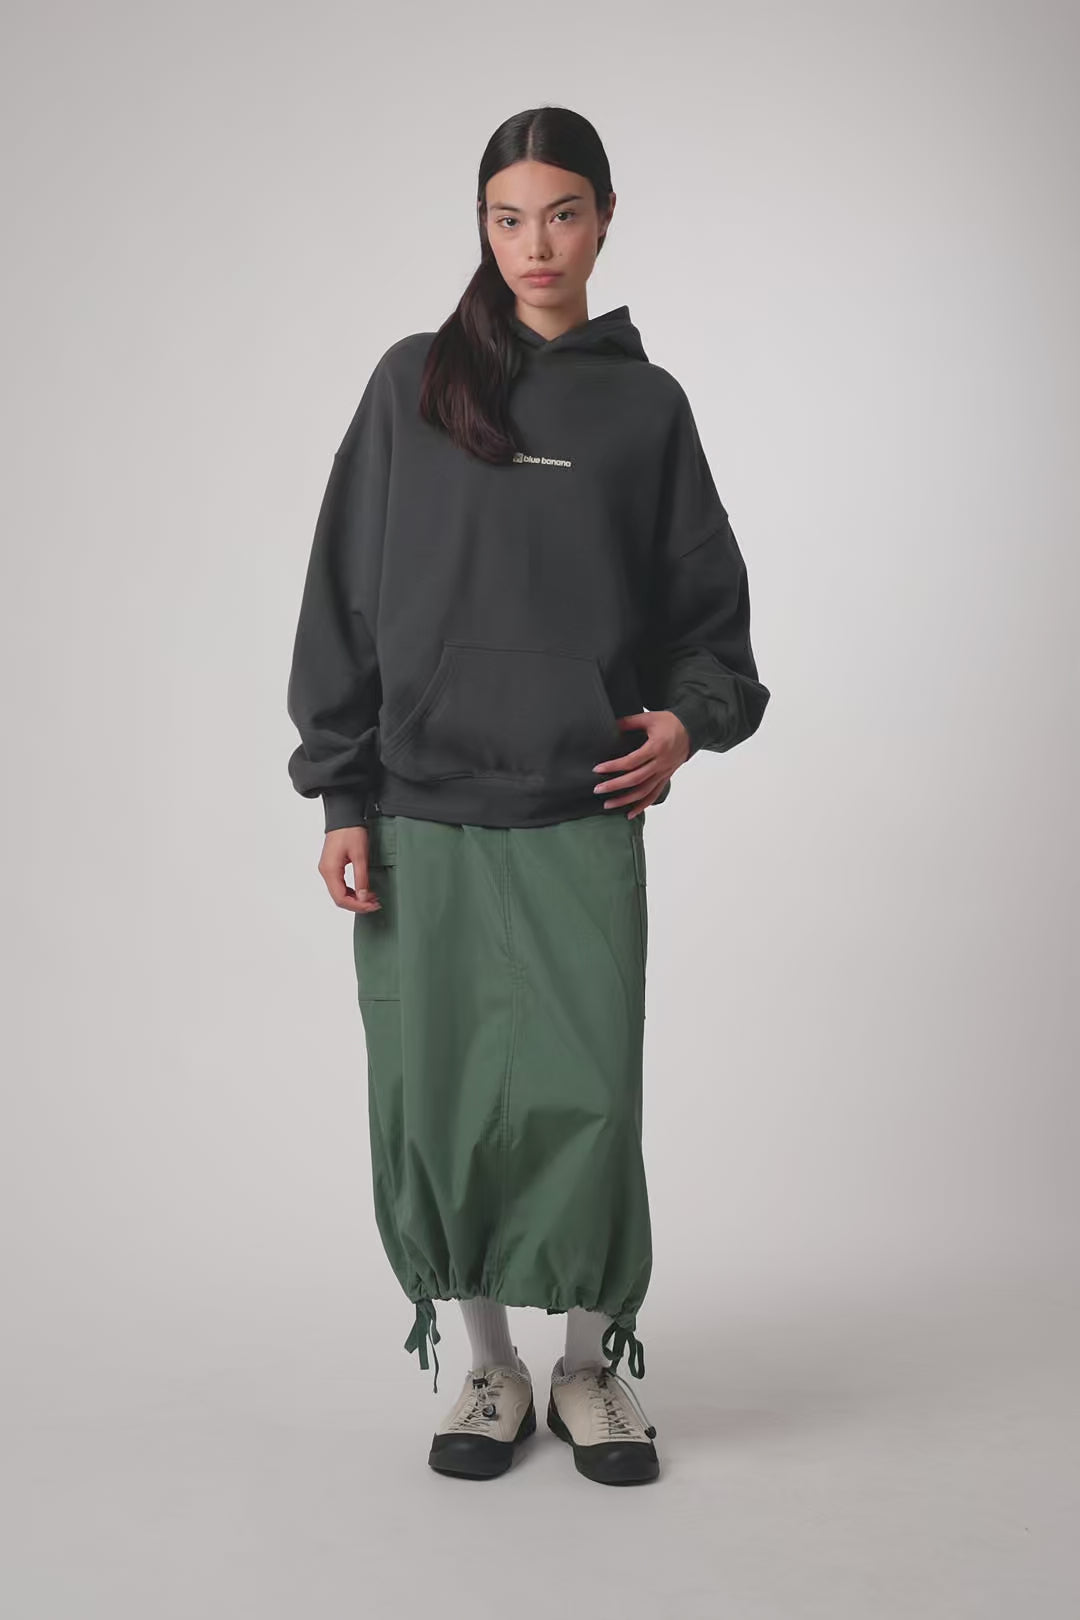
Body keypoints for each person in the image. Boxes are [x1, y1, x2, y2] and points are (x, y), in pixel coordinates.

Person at [285, 105, 770, 1487]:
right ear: (483, 228)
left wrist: (686, 724)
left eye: (562, 213)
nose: (536, 244)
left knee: (586, 1096)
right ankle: (489, 1368)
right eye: (509, 218)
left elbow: (710, 623)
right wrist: (341, 794)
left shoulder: (645, 406)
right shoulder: (413, 382)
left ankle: (588, 1368)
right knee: (444, 1100)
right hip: (422, 809)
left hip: (576, 806)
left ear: (605, 218)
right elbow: (344, 597)